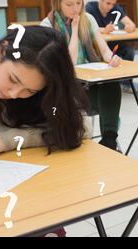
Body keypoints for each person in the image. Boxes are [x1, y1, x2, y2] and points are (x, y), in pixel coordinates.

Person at [0, 26, 91, 237]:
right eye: (13, 79)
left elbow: (79, 127)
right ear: (2, 51)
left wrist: (6, 140)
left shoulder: (44, 90)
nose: (13, 94)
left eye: (29, 91)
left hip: (17, 192)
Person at [41, 0, 123, 151]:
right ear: (58, 4)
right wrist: (74, 27)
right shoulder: (48, 25)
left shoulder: (88, 18)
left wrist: (112, 58)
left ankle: (109, 140)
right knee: (104, 94)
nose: (75, 9)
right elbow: (70, 61)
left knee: (111, 83)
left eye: (78, 3)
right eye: (69, 5)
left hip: (89, 83)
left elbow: (104, 50)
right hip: (67, 92)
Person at [85, 0, 137, 91]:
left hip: (113, 43)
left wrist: (129, 27)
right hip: (97, 44)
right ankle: (105, 83)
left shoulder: (115, 8)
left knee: (129, 51)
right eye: (108, 3)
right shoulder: (90, 7)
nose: (110, 7)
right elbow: (88, 27)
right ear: (100, 1)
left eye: (113, 4)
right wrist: (103, 30)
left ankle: (125, 83)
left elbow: (132, 24)